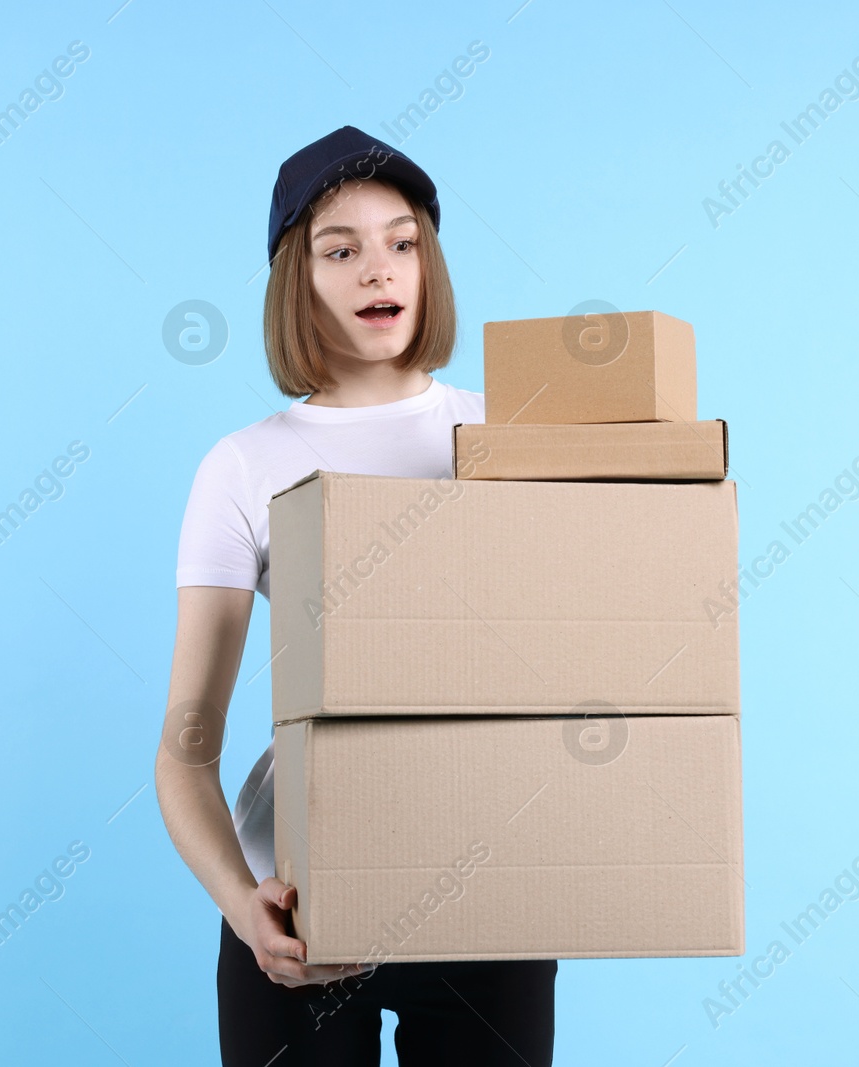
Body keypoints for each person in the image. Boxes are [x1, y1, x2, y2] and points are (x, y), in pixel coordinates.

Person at [156, 126, 557, 1066]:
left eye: (402, 241)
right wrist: (241, 906)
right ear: (297, 279)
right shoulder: (244, 466)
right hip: (300, 899)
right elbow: (185, 747)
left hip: (487, 897)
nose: (380, 270)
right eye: (341, 249)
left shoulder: (508, 437)